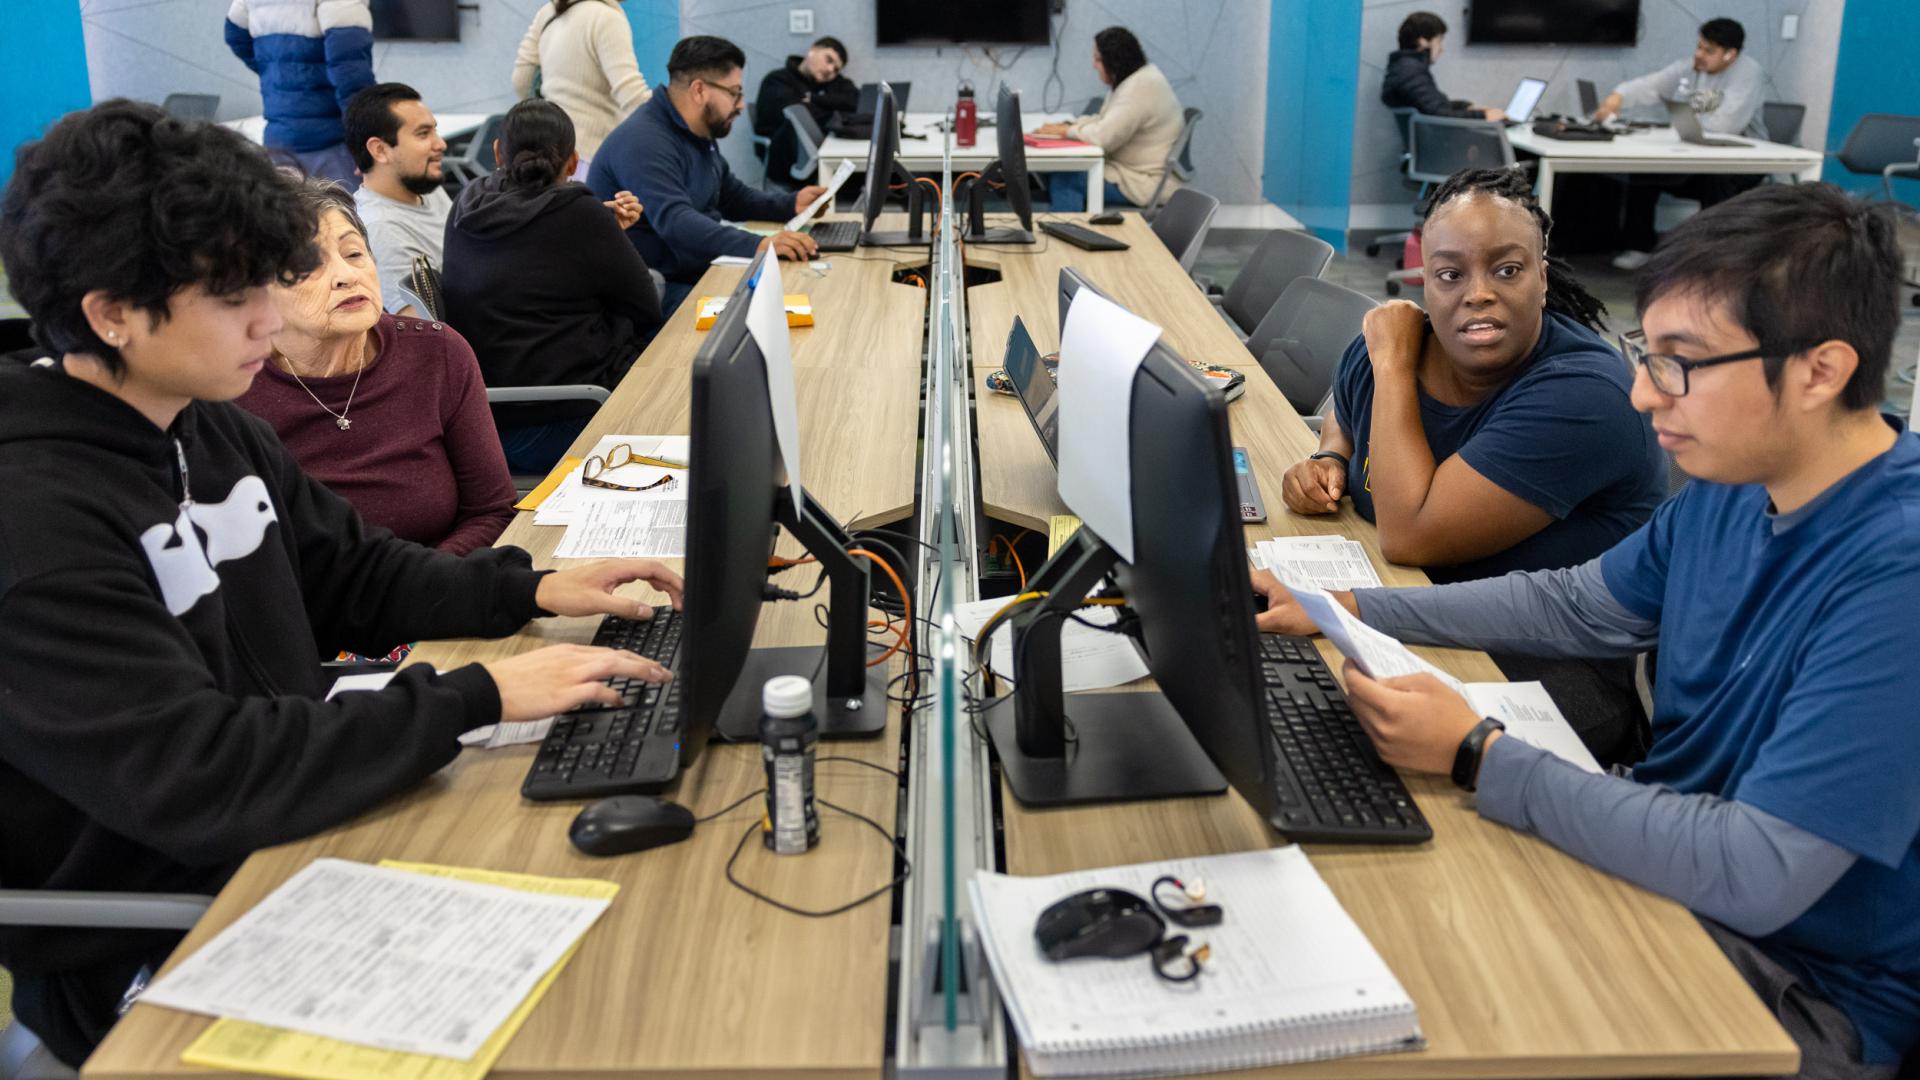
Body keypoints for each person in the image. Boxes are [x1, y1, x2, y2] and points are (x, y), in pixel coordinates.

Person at [0, 100, 682, 1068]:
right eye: (234, 296)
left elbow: (356, 574)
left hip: (286, 827)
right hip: (156, 929)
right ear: (112, 313)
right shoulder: (35, 521)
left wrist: (531, 591)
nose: (269, 318)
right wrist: (476, 695)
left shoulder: (206, 420)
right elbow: (197, 770)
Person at [1257, 183, 1919, 1079]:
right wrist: (1346, 611)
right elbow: (1572, 604)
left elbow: (1759, 868)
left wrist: (1477, 756)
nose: (1643, 394)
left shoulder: (1895, 575)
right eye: (1648, 353)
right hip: (1674, 876)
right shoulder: (1738, 481)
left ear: (1820, 372)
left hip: (1797, 988)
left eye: (1681, 363)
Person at [1265, 166, 1664, 762]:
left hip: (1548, 666)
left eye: (1507, 270)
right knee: (1280, 688)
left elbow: (1411, 536)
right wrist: (1332, 455)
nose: (1478, 293)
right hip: (1415, 607)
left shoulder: (1585, 395)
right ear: (1425, 283)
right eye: (1451, 275)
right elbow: (1347, 411)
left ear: (1543, 280)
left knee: (1328, 737)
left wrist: (1395, 367)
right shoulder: (1389, 349)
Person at [237, 181, 515, 555]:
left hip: (443, 594)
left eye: (353, 253)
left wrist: (424, 585)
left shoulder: (437, 352)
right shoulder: (232, 389)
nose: (346, 275)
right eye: (308, 265)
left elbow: (492, 511)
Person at [443, 100, 664, 474]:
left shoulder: (466, 204)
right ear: (575, 162)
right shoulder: (581, 215)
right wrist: (603, 233)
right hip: (563, 417)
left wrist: (601, 229)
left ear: (497, 153)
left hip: (485, 423)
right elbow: (646, 307)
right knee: (675, 384)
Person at [586, 36, 826, 313]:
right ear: (699, 90)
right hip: (656, 290)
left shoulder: (695, 132)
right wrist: (760, 244)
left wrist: (790, 204)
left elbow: (731, 195)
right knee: (767, 312)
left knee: (795, 293)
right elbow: (676, 222)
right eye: (734, 93)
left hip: (694, 269)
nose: (740, 105)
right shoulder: (645, 141)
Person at [1591, 18, 1767, 269]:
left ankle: (1712, 256)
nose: (1699, 54)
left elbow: (1728, 125)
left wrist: (1687, 120)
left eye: (1709, 51)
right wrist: (1616, 99)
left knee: (1716, 180)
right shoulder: (1691, 69)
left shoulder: (1748, 73)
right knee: (1645, 171)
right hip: (1696, 152)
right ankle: (1640, 245)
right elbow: (1650, 85)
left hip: (1744, 161)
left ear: (1730, 55)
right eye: (1699, 47)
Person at [224, 0, 375, 188]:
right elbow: (351, 75)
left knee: (289, 214)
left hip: (278, 140)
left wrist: (275, 74)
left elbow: (234, 34)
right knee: (348, 214)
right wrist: (367, 139)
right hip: (332, 141)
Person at [1035, 27, 1184, 212]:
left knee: (1066, 178)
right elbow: (1104, 120)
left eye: (1098, 59)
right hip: (1127, 172)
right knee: (1057, 172)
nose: (1094, 65)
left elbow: (1103, 137)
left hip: (1141, 182)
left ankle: (1068, 235)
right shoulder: (1135, 80)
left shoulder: (1140, 89)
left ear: (1114, 61)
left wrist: (1068, 131)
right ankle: (1065, 230)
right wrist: (1070, 126)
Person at [344, 83, 450, 311]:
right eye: (423, 134)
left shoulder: (426, 188)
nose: (440, 144)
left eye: (435, 131)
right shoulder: (381, 230)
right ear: (380, 150)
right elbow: (423, 330)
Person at [511, 0, 652, 167]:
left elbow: (521, 81)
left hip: (551, 155)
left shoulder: (547, 12)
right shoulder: (606, 18)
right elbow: (631, 95)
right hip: (593, 155)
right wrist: (669, 125)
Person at [753, 35, 856, 190]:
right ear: (813, 50)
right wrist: (831, 107)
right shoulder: (777, 80)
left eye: (836, 70)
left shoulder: (830, 83)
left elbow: (854, 100)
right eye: (829, 60)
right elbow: (799, 115)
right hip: (785, 164)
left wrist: (814, 99)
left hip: (819, 160)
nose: (830, 70)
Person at [1379, 11, 1505, 121]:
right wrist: (1483, 116)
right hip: (1440, 144)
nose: (1441, 48)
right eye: (1439, 41)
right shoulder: (1410, 72)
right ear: (1423, 42)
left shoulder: (1405, 69)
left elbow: (1436, 105)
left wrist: (1466, 106)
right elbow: (1437, 114)